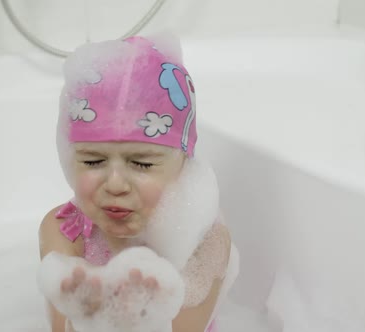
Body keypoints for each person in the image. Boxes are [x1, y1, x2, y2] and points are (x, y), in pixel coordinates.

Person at [37, 34, 238, 332]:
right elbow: (59, 326)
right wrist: (86, 319)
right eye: (93, 161)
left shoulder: (202, 242)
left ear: (184, 163)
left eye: (142, 163)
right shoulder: (65, 230)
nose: (115, 184)